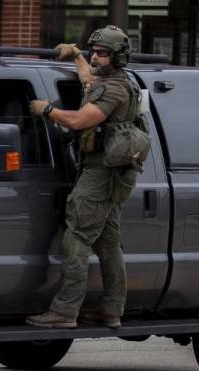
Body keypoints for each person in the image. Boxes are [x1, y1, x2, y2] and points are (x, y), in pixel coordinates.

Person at [26, 25, 140, 329]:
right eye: (93, 51)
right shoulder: (114, 81)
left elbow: (78, 120)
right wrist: (76, 55)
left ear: (118, 58)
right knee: (108, 242)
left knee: (76, 237)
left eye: (102, 53)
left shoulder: (114, 88)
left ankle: (65, 311)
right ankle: (111, 311)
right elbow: (88, 79)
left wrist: (48, 110)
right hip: (110, 173)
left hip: (101, 173)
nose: (95, 57)